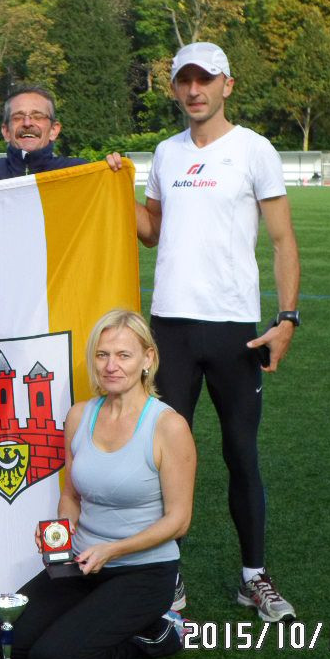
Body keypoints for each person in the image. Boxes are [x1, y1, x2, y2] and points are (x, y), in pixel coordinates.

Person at [134, 42, 301, 623]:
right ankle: (166, 579)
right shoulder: (164, 152)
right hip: (171, 329)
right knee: (161, 459)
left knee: (240, 454)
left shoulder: (253, 150)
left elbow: (282, 240)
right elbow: (149, 230)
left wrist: (287, 317)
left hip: (234, 330)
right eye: (185, 80)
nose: (194, 90)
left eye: (205, 79)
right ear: (176, 89)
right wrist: (111, 190)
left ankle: (252, 577)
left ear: (227, 84)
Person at [0, 309, 196, 659]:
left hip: (142, 571)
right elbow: (71, 494)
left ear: (148, 359)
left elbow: (179, 521)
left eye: (123, 355)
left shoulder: (168, 426)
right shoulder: (81, 416)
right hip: (80, 563)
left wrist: (112, 550)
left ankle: (162, 633)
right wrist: (61, 530)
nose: (111, 365)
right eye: (102, 354)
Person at [0, 86, 87, 184]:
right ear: (6, 131)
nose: (27, 123)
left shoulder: (79, 172)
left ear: (53, 130)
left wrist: (106, 173)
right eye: (18, 117)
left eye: (38, 116)